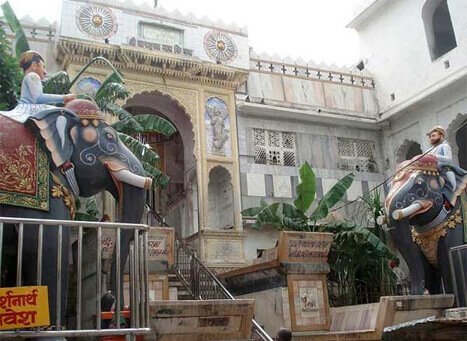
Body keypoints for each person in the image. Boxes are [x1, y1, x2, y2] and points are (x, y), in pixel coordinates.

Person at [0, 50, 75, 123]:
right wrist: (63, 98)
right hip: (29, 109)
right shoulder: (33, 76)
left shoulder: (28, 77)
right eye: (43, 67)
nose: (45, 72)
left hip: (26, 107)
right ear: (34, 65)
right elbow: (39, 98)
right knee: (60, 114)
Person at [426, 125, 467, 204]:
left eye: (433, 136)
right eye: (430, 137)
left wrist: (435, 157)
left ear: (441, 136)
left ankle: (454, 188)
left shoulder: (444, 146)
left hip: (443, 170)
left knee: (447, 169)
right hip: (431, 172)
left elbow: (448, 159)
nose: (431, 138)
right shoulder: (429, 150)